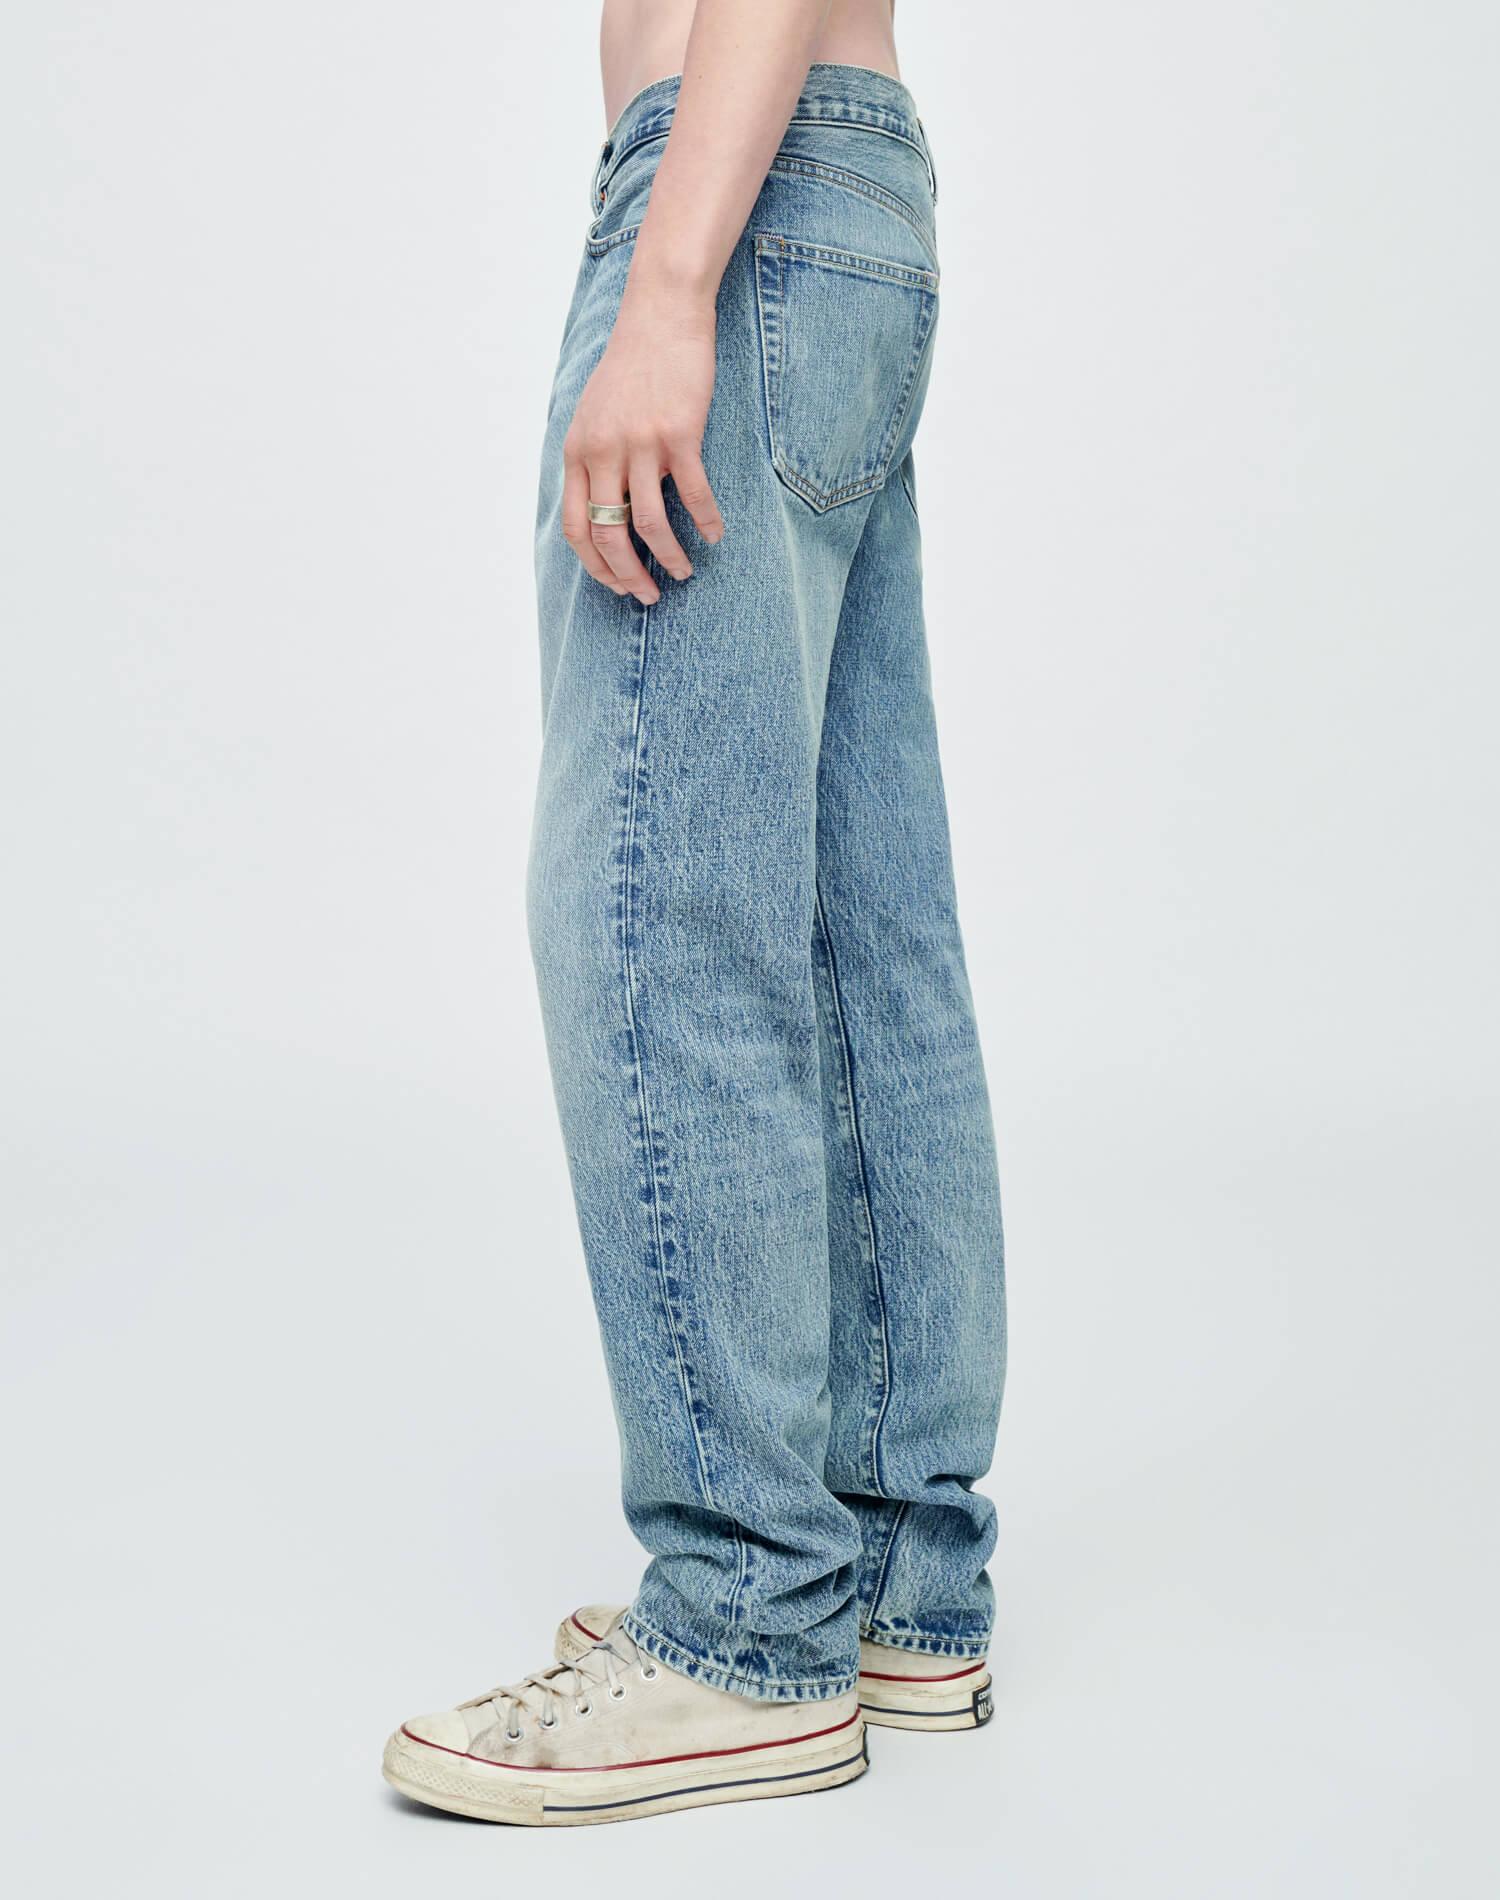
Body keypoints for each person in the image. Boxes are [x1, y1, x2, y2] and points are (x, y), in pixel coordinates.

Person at [383, 0, 1006, 1826]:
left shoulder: (699, 254)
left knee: (660, 921)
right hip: (840, 195)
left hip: (731, 202)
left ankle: (748, 1619)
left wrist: (668, 288)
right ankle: (891, 1577)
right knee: (854, 931)